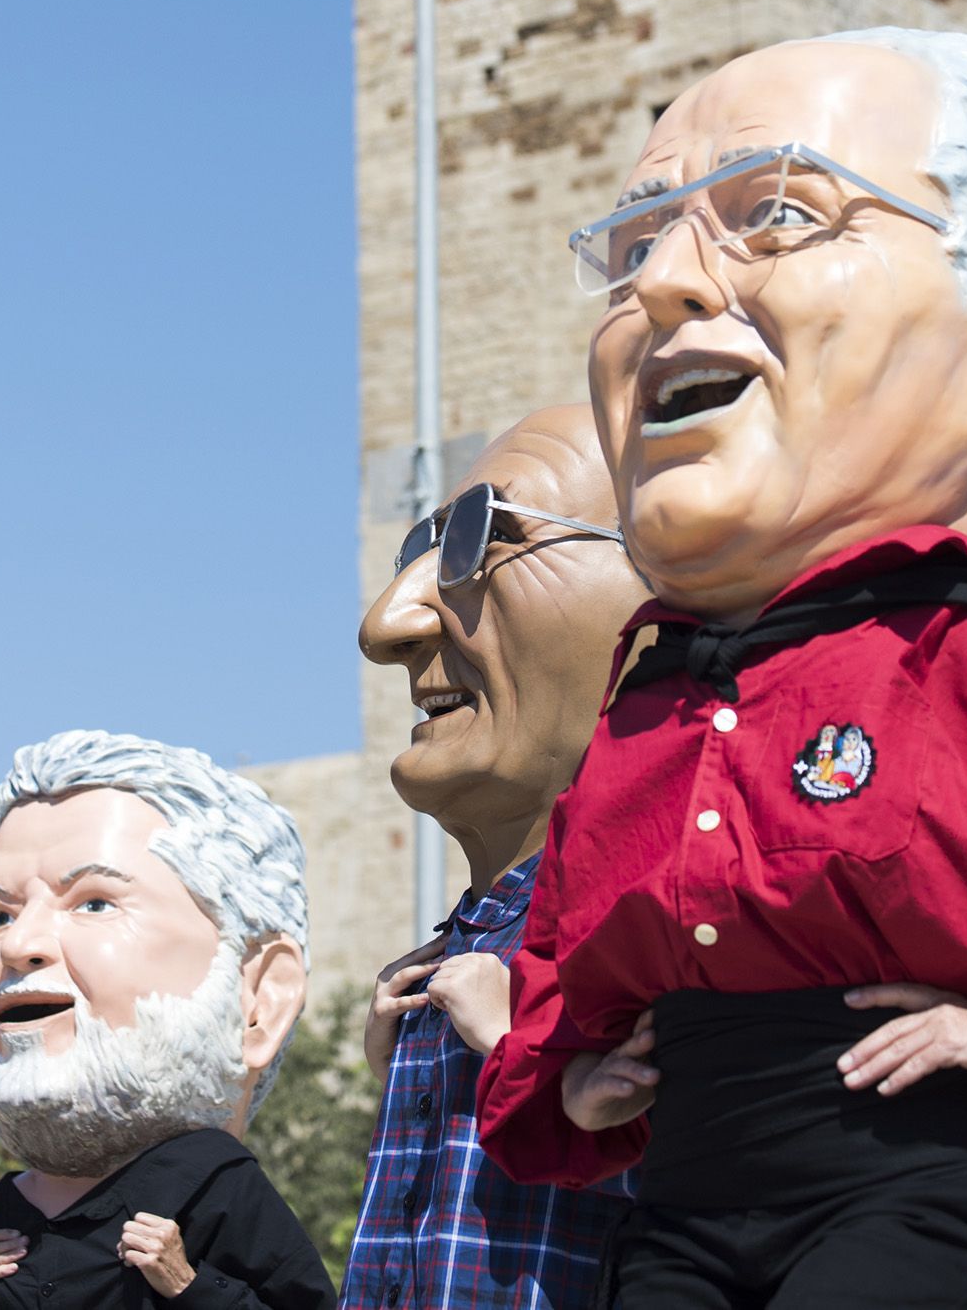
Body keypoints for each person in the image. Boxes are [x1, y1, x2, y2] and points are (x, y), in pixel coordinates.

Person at [478, 30, 967, 1310]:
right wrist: (568, 1075)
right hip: (690, 1201)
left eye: (780, 212)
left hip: (907, 1181)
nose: (664, 285)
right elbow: (567, 929)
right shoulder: (651, 702)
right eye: (637, 245)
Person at [343, 406, 647, 1309]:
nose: (387, 621)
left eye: (481, 536)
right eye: (418, 550)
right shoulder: (445, 960)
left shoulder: (665, 924)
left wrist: (520, 1043)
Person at [0, 728, 334, 1310]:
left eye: (94, 903)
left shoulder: (218, 1189)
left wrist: (189, 1285)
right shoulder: (12, 1207)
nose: (17, 946)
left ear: (259, 999)